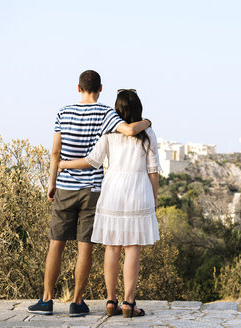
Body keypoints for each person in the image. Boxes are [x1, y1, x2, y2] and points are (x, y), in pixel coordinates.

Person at [28, 71, 151, 317]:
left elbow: (55, 152)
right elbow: (128, 131)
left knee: (56, 243)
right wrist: (148, 122)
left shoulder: (63, 112)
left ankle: (46, 300)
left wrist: (52, 182)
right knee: (85, 245)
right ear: (100, 88)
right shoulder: (106, 113)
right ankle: (77, 302)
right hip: (93, 189)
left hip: (65, 186)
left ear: (78, 87)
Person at [58, 89, 160, 318]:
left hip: (113, 190)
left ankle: (111, 301)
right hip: (139, 190)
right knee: (133, 247)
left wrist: (64, 165)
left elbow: (91, 161)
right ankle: (129, 303)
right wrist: (155, 198)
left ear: (117, 108)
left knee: (112, 247)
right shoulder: (148, 133)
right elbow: (153, 171)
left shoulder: (109, 132)